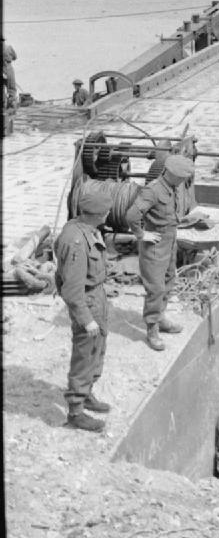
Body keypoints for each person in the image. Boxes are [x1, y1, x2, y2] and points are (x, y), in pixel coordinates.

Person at [125, 154, 199, 351]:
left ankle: (161, 317)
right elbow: (132, 214)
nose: (185, 181)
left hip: (170, 241)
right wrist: (141, 235)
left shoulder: (173, 187)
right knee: (155, 288)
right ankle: (152, 329)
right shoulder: (153, 191)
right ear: (173, 175)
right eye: (182, 177)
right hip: (155, 246)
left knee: (168, 280)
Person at [55, 189, 114, 432]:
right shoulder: (76, 241)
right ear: (99, 214)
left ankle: (87, 392)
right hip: (87, 301)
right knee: (84, 354)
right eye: (107, 211)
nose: (109, 213)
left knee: (97, 349)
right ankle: (76, 412)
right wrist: (86, 319)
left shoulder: (85, 228)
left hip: (97, 296)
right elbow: (72, 289)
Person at [3, 37, 17, 108]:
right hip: (8, 68)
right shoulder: (9, 47)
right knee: (11, 88)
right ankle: (11, 104)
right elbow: (15, 57)